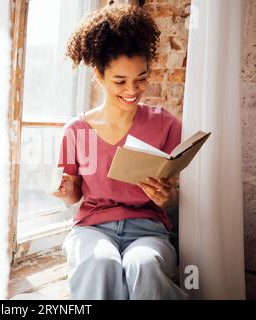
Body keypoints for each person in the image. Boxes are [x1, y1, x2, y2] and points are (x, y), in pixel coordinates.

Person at [52, 2, 188, 300]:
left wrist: (168, 197)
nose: (133, 89)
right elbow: (74, 194)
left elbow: (174, 194)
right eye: (120, 81)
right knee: (101, 262)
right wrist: (65, 191)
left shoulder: (165, 125)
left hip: (148, 230)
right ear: (98, 76)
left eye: (141, 78)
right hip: (92, 228)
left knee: (143, 264)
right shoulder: (77, 131)